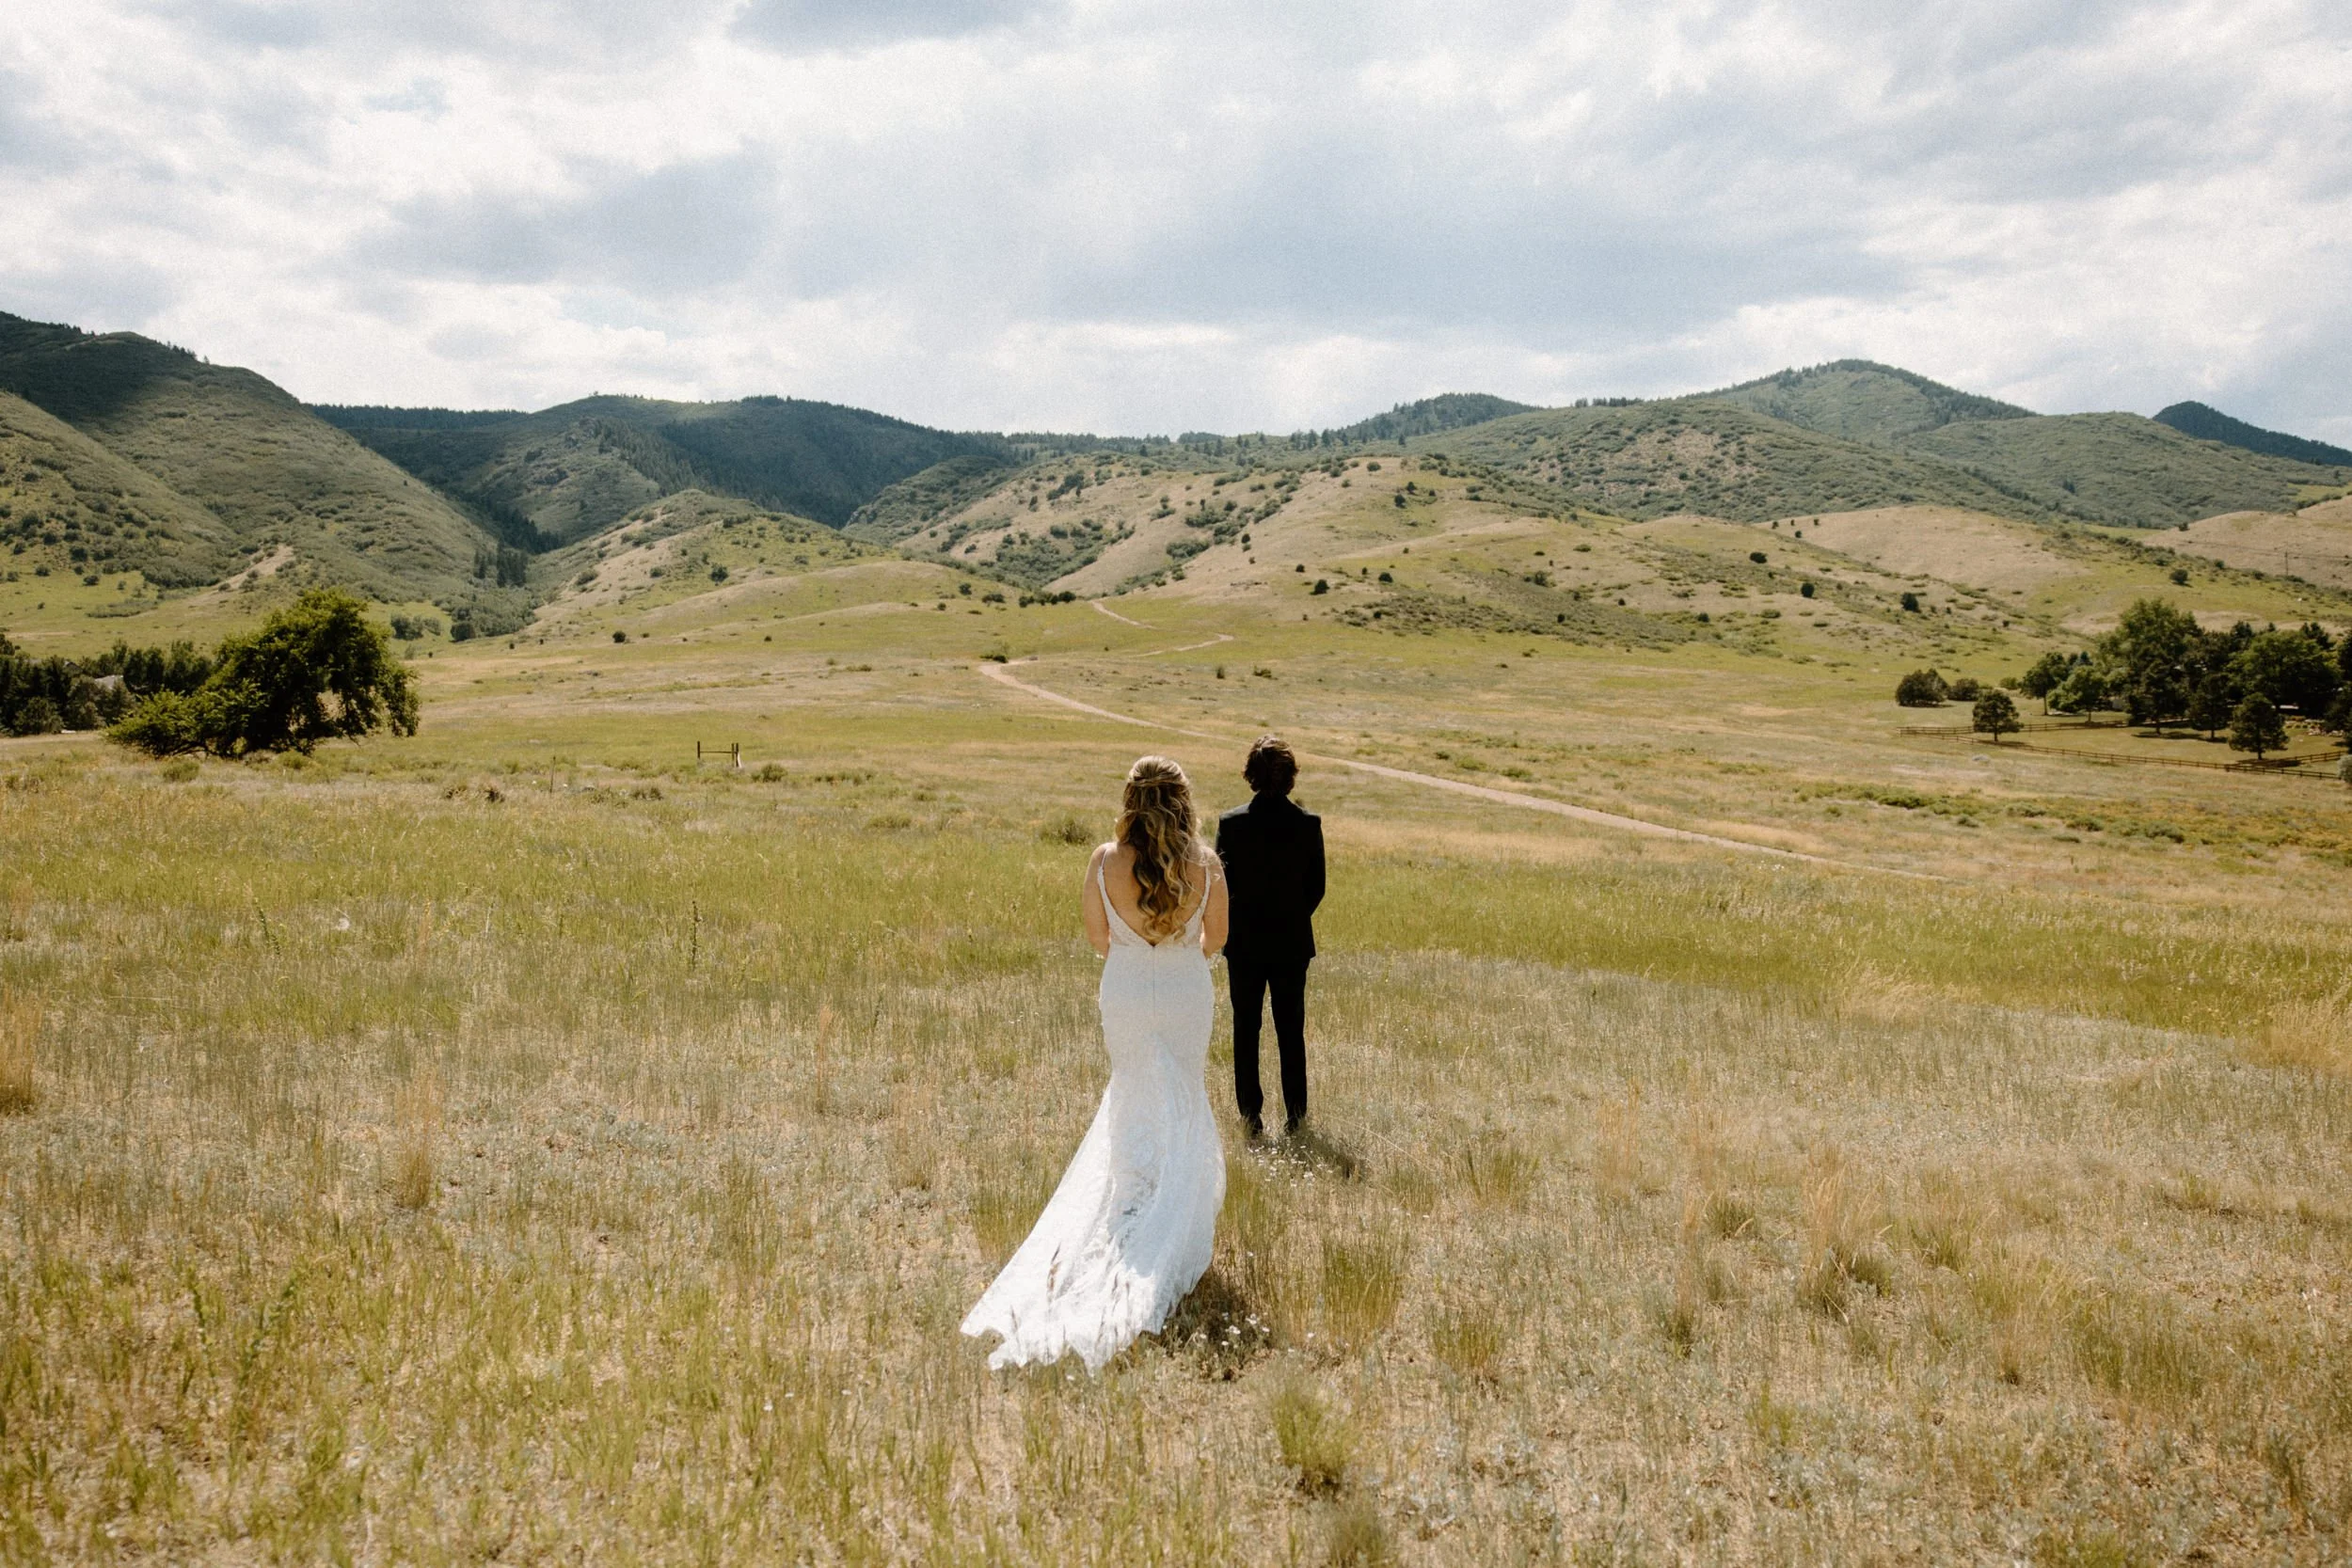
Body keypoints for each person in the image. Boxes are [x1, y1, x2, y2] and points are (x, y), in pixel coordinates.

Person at [961, 756, 1230, 1371]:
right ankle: (1173, 1220)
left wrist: (1138, 945)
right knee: (1183, 1097)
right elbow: (1216, 938)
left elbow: (1097, 938)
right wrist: (1180, 947)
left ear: (1132, 800)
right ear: (1184, 801)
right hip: (1187, 991)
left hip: (1128, 990)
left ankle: (1134, 1204)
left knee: (1135, 1096)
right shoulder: (1207, 865)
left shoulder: (1105, 862)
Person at [1216, 736, 1325, 1139]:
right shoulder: (1308, 825)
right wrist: (1292, 916)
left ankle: (1251, 1115)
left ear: (1251, 774)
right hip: (1291, 941)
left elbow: (1221, 885)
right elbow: (1317, 887)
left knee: (1246, 1028)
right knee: (1290, 1029)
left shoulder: (1231, 825)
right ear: (1291, 775)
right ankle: (1296, 1115)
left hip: (1243, 942)